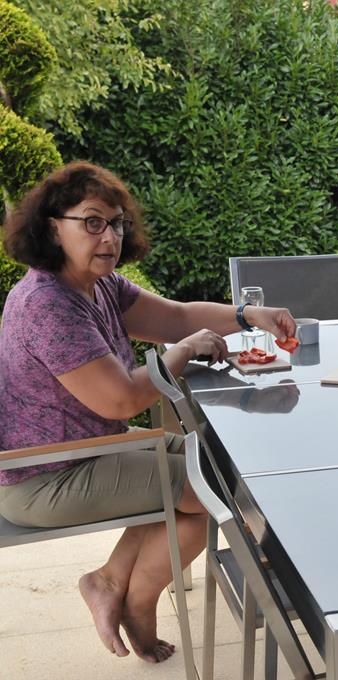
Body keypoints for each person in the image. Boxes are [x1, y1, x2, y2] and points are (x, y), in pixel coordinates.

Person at [0, 162, 296, 664]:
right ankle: (136, 600)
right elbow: (119, 400)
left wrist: (248, 316)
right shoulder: (47, 305)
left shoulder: (99, 284)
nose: (109, 235)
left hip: (91, 451)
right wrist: (178, 354)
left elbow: (175, 317)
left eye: (116, 223)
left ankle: (111, 581)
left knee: (216, 467)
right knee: (210, 488)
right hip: (42, 476)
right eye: (92, 221)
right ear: (53, 226)